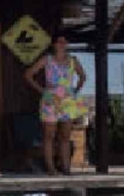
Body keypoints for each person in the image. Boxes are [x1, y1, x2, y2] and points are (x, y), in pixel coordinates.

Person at [23, 34, 87, 175]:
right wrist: (42, 90)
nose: (62, 44)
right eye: (59, 41)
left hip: (68, 101)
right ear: (54, 44)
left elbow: (83, 76)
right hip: (50, 99)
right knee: (49, 135)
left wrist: (75, 90)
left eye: (65, 41)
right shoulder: (47, 59)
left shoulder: (73, 60)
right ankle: (51, 168)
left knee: (65, 135)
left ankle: (66, 168)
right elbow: (28, 74)